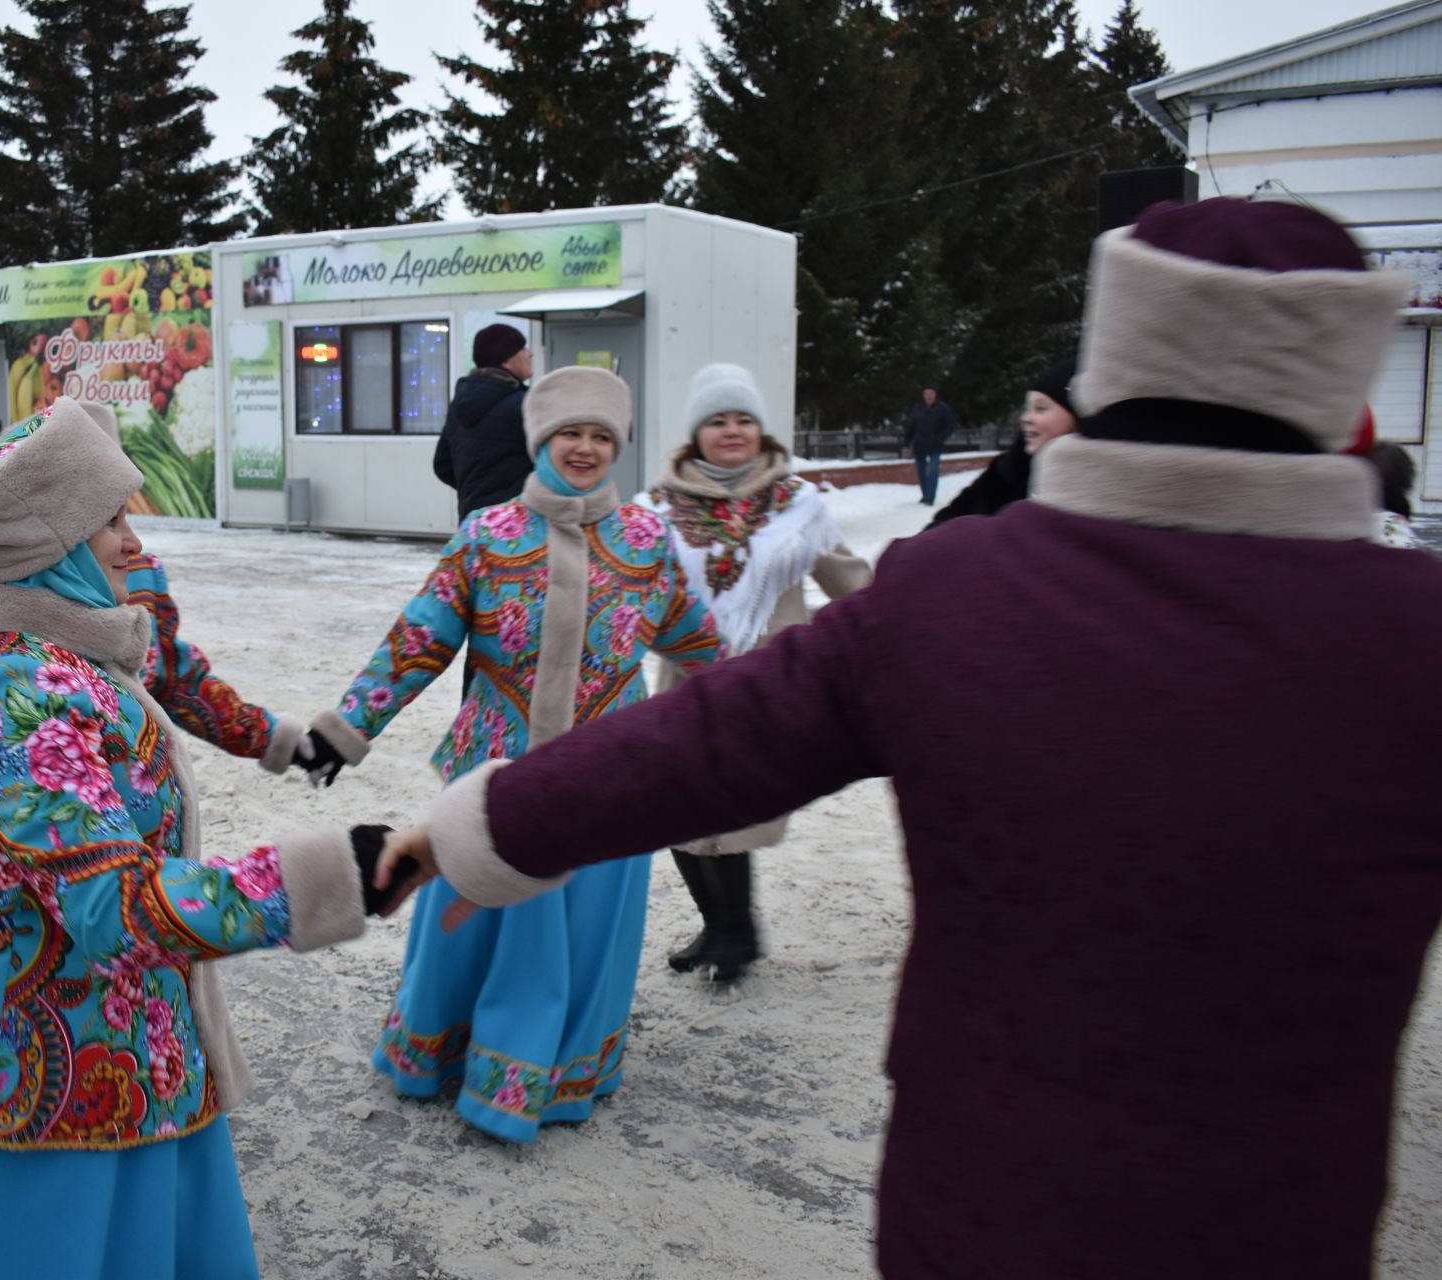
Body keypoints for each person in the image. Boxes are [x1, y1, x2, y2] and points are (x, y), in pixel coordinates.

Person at [379, 199, 1442, 1279]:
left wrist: (481, 824)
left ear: (1116, 365)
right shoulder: (1417, 636)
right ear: (1338, 382)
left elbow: (696, 744)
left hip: (982, 1203)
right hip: (1284, 1220)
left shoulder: (962, 593)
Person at [0, 398, 400, 1279]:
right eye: (111, 519)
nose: (135, 540)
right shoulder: (25, 681)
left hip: (110, 1029)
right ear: (50, 538)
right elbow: (113, 902)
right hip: (42, 1054)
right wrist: (328, 877)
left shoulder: (58, 643)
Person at [310, 366, 722, 1142]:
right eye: (571, 432)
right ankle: (443, 1050)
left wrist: (755, 715)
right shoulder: (488, 537)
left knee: (588, 923)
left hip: (611, 779)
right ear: (540, 439)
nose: (586, 448)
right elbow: (418, 641)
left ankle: (558, 1069)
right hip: (493, 772)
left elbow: (701, 645)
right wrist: (347, 726)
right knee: (471, 914)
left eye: (602, 436)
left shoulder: (644, 541)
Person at [0, 401, 305, 873]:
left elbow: (171, 675)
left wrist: (275, 739)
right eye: (108, 516)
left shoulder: (137, 571)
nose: (132, 539)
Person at [638, 363, 872, 982]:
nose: (732, 430)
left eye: (743, 418)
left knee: (734, 806)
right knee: (674, 809)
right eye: (717, 420)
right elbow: (628, 589)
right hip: (686, 683)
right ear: (696, 433)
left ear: (761, 429)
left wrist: (890, 630)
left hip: (771, 687)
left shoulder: (796, 504)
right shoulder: (658, 508)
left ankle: (737, 933)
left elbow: (850, 582)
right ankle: (720, 925)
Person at [926, 357, 1078, 527]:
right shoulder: (1003, 473)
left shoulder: (1099, 491)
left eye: (1040, 408)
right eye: (1027, 408)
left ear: (1077, 417)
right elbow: (941, 529)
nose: (1026, 418)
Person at [432, 323, 536, 520]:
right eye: (522, 348)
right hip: (517, 524)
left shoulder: (459, 404)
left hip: (473, 522)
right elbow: (549, 462)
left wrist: (478, 490)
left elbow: (442, 465)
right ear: (506, 361)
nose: (530, 353)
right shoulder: (523, 405)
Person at [900, 385, 958, 506]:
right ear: (923, 395)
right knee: (921, 472)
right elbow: (910, 427)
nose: (929, 396)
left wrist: (940, 437)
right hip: (919, 444)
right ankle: (925, 495)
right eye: (926, 393)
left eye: (931, 393)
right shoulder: (918, 408)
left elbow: (950, 426)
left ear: (935, 395)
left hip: (935, 445)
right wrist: (906, 443)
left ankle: (930, 498)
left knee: (933, 471)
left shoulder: (943, 409)